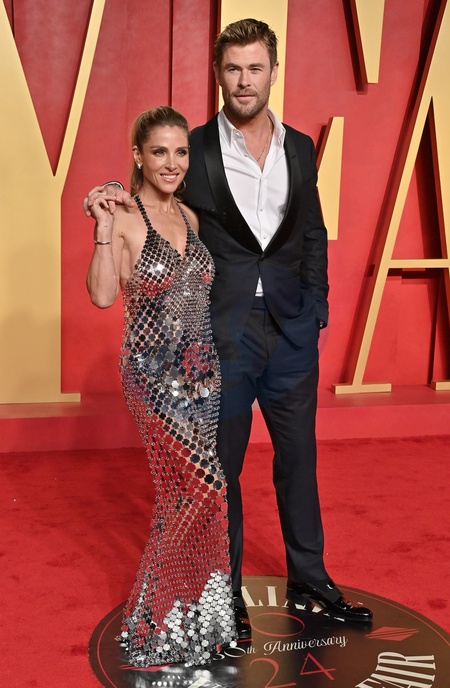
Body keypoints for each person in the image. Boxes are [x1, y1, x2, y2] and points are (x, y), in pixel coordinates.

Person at [85, 19, 373, 634]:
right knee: (224, 471)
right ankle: (226, 595)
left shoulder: (300, 147)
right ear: (218, 74)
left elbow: (312, 231)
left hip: (291, 330)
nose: (244, 81)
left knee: (299, 461)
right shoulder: (193, 149)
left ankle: (311, 581)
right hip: (222, 339)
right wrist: (105, 198)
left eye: (255, 68)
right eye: (233, 68)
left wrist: (316, 307)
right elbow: (148, 191)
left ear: (274, 72)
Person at [86, 105, 237, 667]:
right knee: (207, 487)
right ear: (138, 156)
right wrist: (103, 230)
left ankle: (196, 619)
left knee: (186, 497)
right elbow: (103, 296)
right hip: (151, 376)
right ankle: (149, 618)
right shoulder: (127, 217)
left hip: (202, 377)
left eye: (180, 152)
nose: (171, 163)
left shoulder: (191, 218)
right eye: (158, 152)